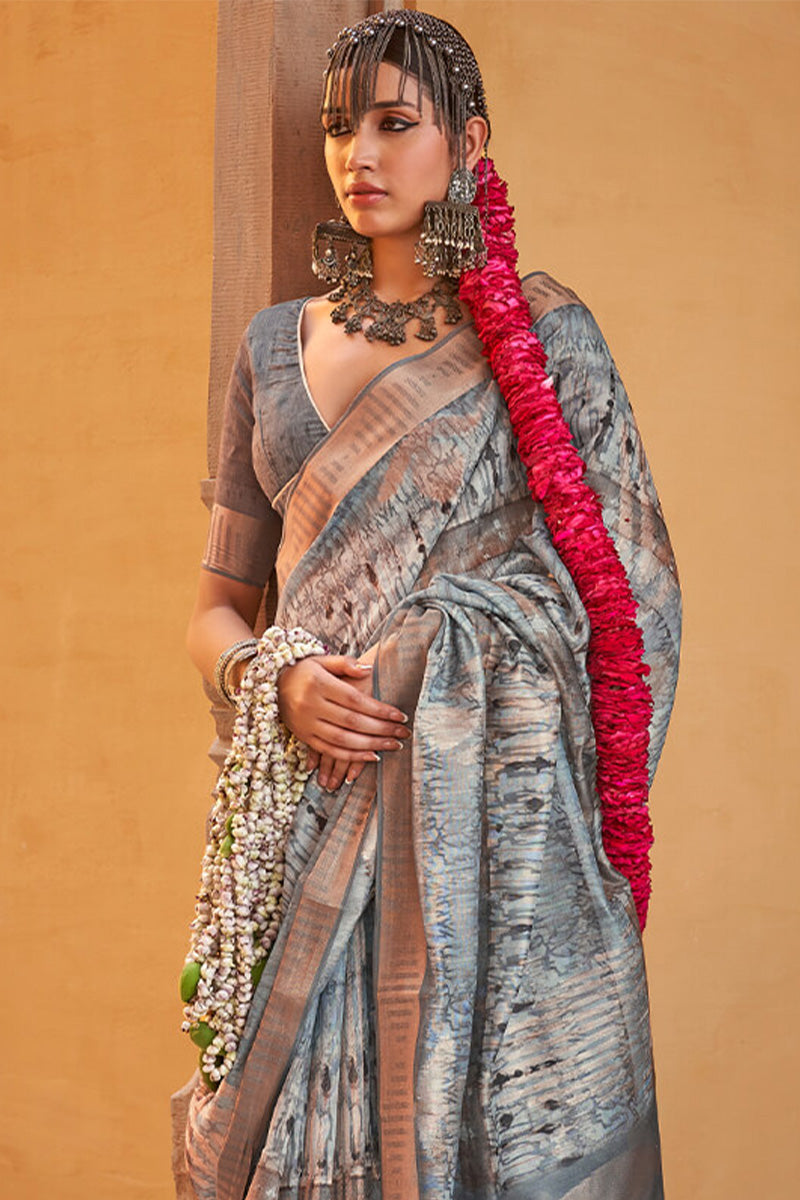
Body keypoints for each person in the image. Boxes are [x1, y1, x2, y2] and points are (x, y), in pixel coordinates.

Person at [174, 10, 681, 1200]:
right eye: (338, 126)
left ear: (468, 144)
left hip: (493, 846)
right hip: (304, 810)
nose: (358, 155)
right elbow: (214, 606)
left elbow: (633, 597)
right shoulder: (269, 349)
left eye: (394, 124)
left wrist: (443, 647)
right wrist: (278, 679)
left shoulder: (545, 340)